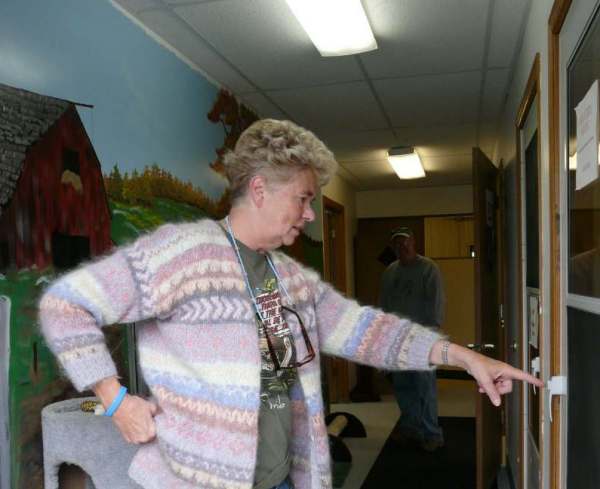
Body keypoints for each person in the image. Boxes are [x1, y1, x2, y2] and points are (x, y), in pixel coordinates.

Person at [39, 119, 544, 489]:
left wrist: (464, 358)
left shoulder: (289, 279)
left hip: (282, 476)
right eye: (303, 198)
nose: (309, 214)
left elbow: (367, 330)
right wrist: (115, 399)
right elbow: (64, 305)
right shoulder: (183, 254)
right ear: (260, 189)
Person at [380, 227, 445, 451]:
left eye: (405, 241)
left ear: (413, 242)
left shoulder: (429, 269)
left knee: (424, 388)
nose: (402, 246)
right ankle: (411, 427)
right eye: (397, 243)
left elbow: (436, 303)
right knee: (403, 386)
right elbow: (384, 306)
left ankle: (432, 433)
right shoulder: (390, 272)